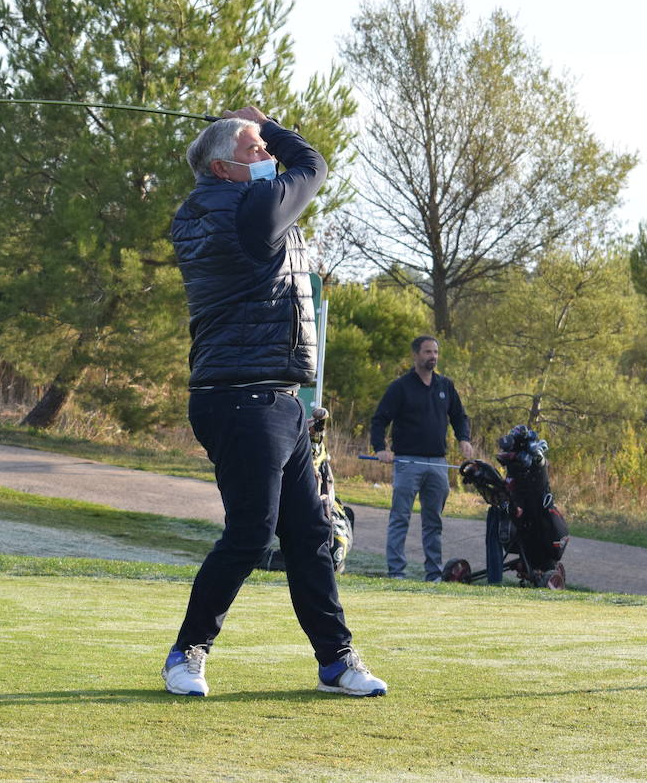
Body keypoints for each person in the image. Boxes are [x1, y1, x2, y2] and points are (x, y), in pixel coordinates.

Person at [163, 107, 387, 698]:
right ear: (222, 167)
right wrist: (270, 123)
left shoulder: (206, 209)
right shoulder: (250, 211)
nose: (267, 158)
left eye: (264, 148)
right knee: (252, 535)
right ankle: (186, 654)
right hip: (243, 400)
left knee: (309, 535)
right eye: (255, 150)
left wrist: (253, 135)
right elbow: (313, 165)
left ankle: (336, 661)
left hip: (271, 398)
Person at [369, 336, 474, 581]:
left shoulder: (445, 386)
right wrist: (379, 448)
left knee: (433, 522)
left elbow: (459, 416)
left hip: (437, 464)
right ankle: (396, 571)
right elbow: (379, 419)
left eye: (435, 352)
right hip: (407, 463)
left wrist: (464, 438)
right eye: (428, 352)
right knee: (400, 518)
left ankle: (434, 574)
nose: (433, 356)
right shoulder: (400, 387)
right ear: (415, 355)